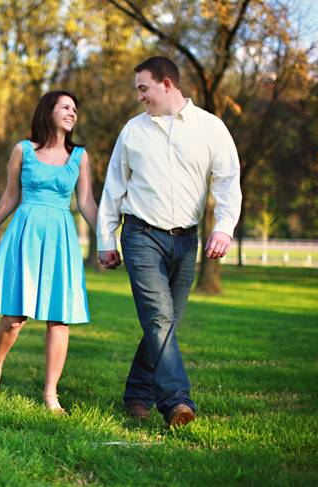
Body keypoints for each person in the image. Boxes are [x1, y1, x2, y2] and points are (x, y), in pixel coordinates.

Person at [97, 56, 241, 426]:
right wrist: (105, 238)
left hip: (186, 241)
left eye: (143, 88)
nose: (140, 97)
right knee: (160, 319)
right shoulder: (133, 131)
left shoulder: (210, 128)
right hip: (141, 235)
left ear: (166, 84)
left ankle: (136, 394)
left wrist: (224, 227)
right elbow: (114, 188)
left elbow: (228, 182)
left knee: (165, 322)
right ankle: (177, 401)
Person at [0, 90, 98, 414]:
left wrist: (107, 239)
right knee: (15, 317)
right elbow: (9, 196)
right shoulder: (23, 150)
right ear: (48, 111)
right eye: (65, 107)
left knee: (60, 319)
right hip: (26, 232)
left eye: (75, 108)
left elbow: (86, 202)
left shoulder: (80, 156)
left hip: (61, 237)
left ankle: (50, 393)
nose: (72, 113)